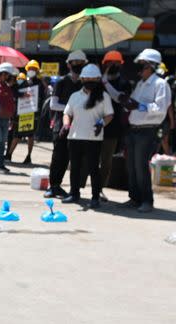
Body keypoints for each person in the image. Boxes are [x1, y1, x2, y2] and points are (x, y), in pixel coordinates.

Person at [122, 48, 171, 213]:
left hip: (147, 131)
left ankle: (146, 201)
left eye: (142, 65)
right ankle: (134, 198)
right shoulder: (141, 84)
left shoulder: (160, 84)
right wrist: (127, 101)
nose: (139, 69)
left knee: (141, 167)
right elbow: (133, 103)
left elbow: (161, 108)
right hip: (134, 129)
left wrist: (140, 106)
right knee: (132, 166)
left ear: (151, 66)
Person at [60, 64, 114, 209]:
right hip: (75, 137)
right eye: (87, 79)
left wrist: (101, 123)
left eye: (93, 79)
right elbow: (67, 113)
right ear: (82, 79)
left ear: (98, 80)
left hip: (93, 138)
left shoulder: (104, 97)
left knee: (93, 169)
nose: (90, 81)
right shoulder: (75, 96)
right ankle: (74, 193)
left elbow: (109, 115)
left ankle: (95, 197)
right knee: (75, 167)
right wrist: (66, 125)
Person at [46, 50, 87, 198]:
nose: (77, 65)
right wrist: (71, 109)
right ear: (69, 65)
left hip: (80, 127)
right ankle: (54, 186)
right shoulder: (61, 82)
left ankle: (74, 189)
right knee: (59, 157)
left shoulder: (85, 84)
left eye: (80, 63)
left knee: (76, 160)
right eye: (74, 63)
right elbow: (53, 104)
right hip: (62, 126)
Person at [99, 50, 131, 200]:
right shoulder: (97, 82)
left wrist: (105, 83)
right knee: (90, 159)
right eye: (109, 63)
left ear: (120, 65)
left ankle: (99, 188)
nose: (112, 65)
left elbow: (119, 98)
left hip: (112, 128)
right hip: (94, 126)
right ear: (104, 64)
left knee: (106, 161)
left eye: (115, 63)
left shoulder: (124, 83)